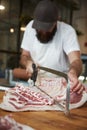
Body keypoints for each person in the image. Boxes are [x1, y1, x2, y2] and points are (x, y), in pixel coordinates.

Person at [20, 0, 84, 94]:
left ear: (57, 21)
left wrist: (73, 72)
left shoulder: (67, 31)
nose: (44, 32)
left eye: (47, 27)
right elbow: (24, 56)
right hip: (36, 85)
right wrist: (27, 63)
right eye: (40, 27)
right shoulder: (30, 27)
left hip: (61, 87)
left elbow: (76, 61)